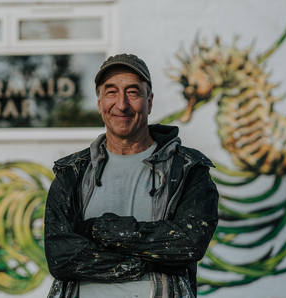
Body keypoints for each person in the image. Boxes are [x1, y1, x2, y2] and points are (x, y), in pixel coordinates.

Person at [44, 53, 219, 298]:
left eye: (133, 92)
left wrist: (98, 229)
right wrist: (145, 261)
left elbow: (189, 243)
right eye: (111, 92)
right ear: (99, 103)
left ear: (149, 101)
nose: (122, 104)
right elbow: (60, 257)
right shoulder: (71, 172)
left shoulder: (188, 169)